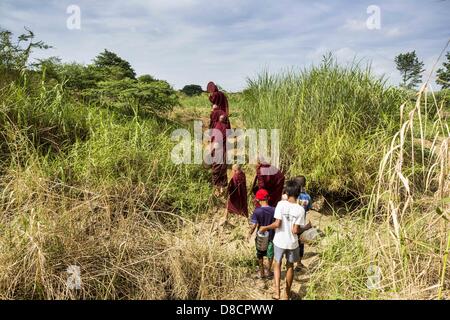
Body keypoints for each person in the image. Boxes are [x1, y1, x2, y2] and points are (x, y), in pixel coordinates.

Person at [259, 180, 311, 300]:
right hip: (292, 243)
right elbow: (295, 230)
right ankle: (286, 294)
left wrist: (265, 227)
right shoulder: (300, 209)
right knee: (290, 266)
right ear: (298, 193)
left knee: (277, 264)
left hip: (279, 241)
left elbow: (277, 224)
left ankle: (277, 292)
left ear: (286, 192)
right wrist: (306, 227)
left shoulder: (281, 204)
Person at [247, 189, 275, 279]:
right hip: (271, 236)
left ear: (258, 200)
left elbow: (254, 225)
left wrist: (249, 234)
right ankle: (268, 271)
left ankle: (262, 272)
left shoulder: (257, 211)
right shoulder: (274, 210)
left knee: (260, 254)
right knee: (270, 254)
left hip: (260, 237)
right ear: (268, 198)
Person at [294, 175, 312, 271]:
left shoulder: (292, 195)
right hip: (301, 223)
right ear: (304, 184)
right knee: (300, 243)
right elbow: (308, 208)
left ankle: (289, 262)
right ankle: (299, 263)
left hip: (291, 223)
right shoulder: (307, 197)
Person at [210, 114, 229, 196]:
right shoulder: (227, 128)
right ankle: (222, 189)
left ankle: (217, 189)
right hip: (224, 151)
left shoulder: (217, 126)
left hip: (218, 151)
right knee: (223, 169)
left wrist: (212, 150)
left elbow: (214, 139)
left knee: (216, 170)